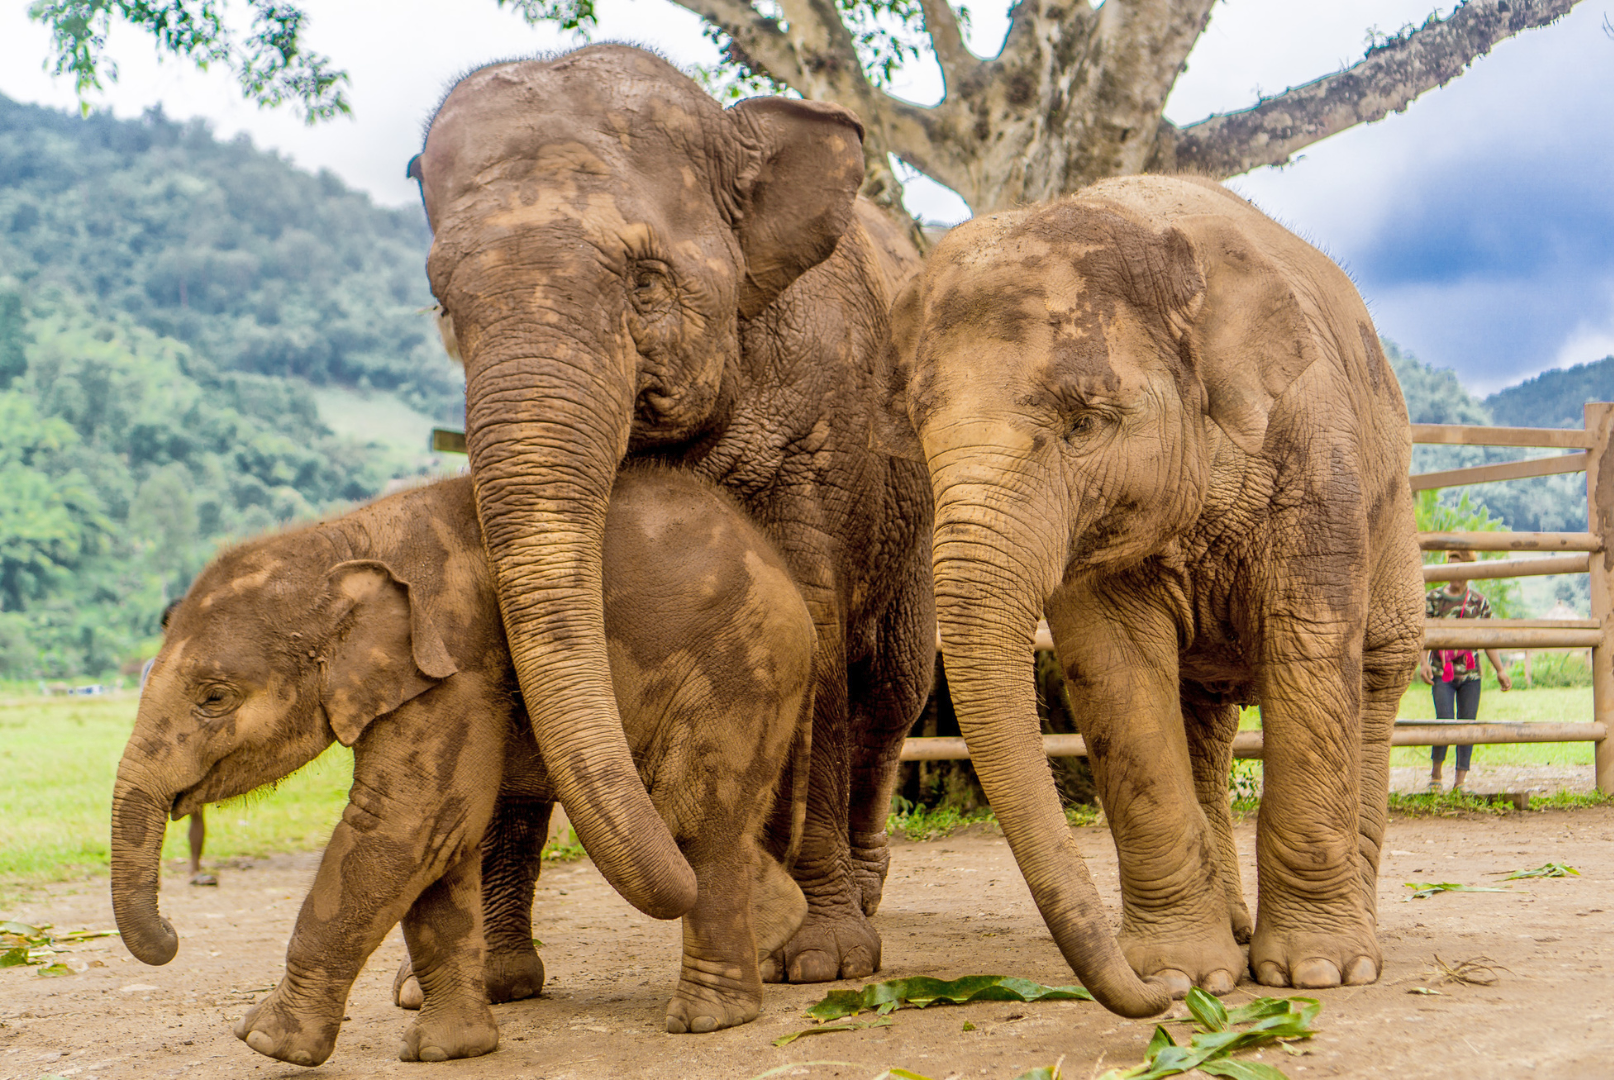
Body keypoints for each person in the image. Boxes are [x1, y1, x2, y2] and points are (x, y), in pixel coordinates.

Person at [1418, 550, 1512, 792]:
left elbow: (1489, 638)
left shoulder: (1479, 602)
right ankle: (1436, 776)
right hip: (1442, 672)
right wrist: (1423, 662)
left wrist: (1500, 669)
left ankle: (1460, 781)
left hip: (1471, 675)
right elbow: (1421, 634)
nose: (1455, 575)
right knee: (1444, 721)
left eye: (1460, 568)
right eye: (1450, 567)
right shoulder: (1433, 599)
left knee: (1467, 725)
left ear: (1470, 571)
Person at [140, 599, 216, 886]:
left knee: (196, 809)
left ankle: (194, 867)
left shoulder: (204, 665)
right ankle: (151, 872)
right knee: (153, 811)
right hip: (160, 745)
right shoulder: (153, 666)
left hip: (192, 744)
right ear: (164, 629)